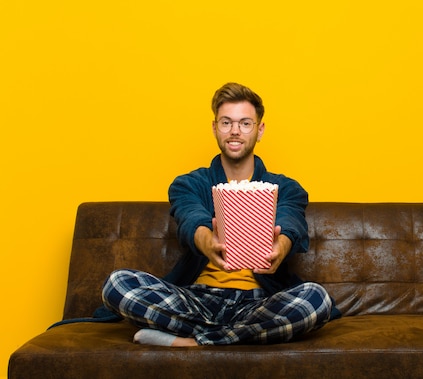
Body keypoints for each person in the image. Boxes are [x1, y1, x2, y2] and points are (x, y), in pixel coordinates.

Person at [102, 82, 339, 346]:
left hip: (260, 304)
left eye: (245, 123)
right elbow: (190, 218)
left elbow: (290, 221)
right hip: (195, 300)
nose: (235, 131)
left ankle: (191, 342)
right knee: (117, 284)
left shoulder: (286, 188)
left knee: (316, 300)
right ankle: (235, 338)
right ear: (215, 128)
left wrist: (280, 247)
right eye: (226, 123)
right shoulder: (188, 184)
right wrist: (208, 241)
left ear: (259, 130)